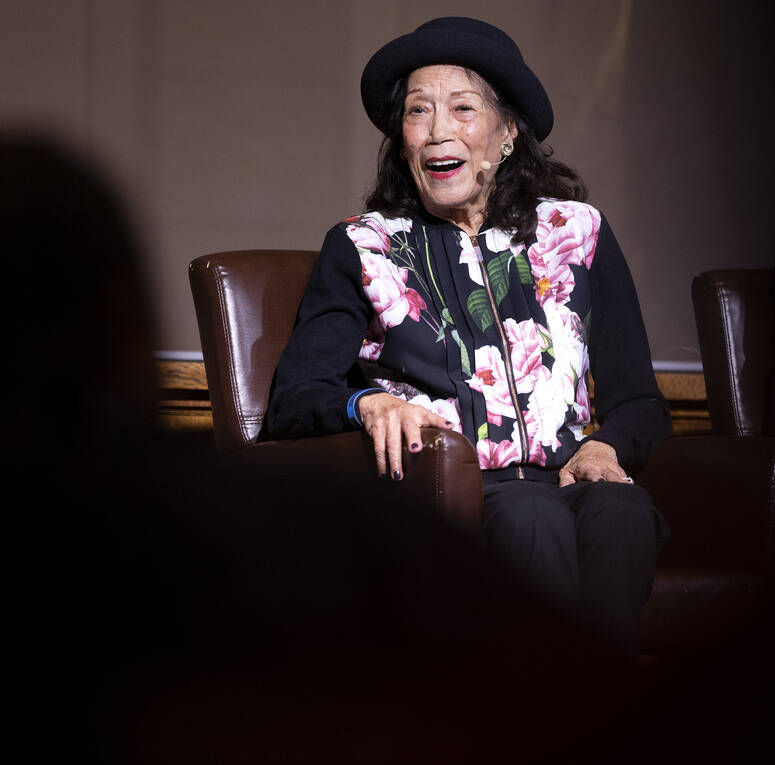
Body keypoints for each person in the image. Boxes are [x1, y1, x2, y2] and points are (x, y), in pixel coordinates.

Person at [263, 16, 671, 659]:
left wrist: (606, 449)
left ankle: (600, 726)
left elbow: (640, 400)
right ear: (402, 141)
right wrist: (366, 403)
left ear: (508, 133)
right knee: (527, 519)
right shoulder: (364, 246)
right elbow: (294, 398)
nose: (439, 130)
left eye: (462, 108)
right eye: (418, 112)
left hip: (569, 477)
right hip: (448, 495)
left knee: (622, 513)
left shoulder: (577, 233)